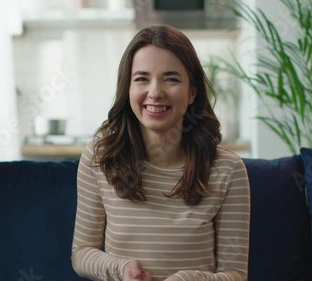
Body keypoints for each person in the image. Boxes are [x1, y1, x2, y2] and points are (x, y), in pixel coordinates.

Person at [71, 25, 250, 281]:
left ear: (192, 92)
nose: (155, 92)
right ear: (128, 88)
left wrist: (190, 279)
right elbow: (82, 252)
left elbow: (236, 274)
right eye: (142, 79)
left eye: (171, 79)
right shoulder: (101, 156)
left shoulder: (228, 169)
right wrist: (120, 268)